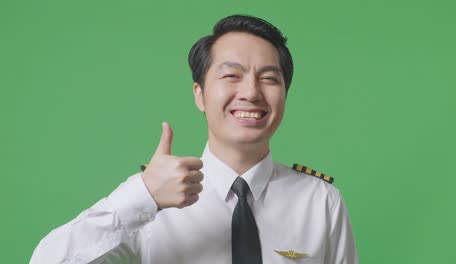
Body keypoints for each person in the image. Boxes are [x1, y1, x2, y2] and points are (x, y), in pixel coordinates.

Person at [30, 14, 358, 264]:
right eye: (231, 75)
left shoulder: (321, 202)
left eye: (269, 78)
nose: (251, 92)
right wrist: (143, 198)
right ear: (199, 95)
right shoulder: (150, 199)